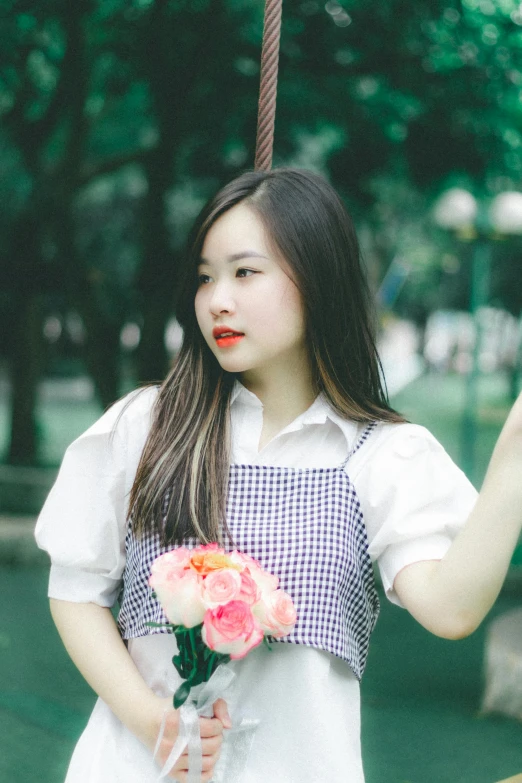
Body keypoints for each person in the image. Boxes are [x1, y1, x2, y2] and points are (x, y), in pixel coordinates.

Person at [35, 167, 522, 783]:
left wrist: (515, 452)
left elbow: (451, 610)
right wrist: (151, 722)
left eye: (245, 272)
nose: (218, 300)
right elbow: (76, 589)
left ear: (318, 280)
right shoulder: (148, 426)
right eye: (206, 277)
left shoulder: (381, 453)